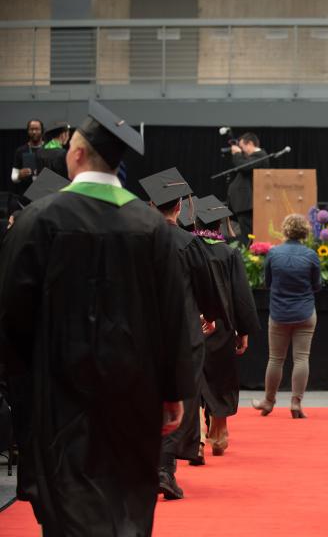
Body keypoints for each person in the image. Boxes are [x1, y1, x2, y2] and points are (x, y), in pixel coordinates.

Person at [0, 100, 195, 535]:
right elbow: (173, 317)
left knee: (66, 504)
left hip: (58, 396)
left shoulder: (36, 221)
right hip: (134, 391)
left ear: (76, 152)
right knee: (125, 500)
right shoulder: (152, 228)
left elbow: (11, 315)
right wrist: (173, 391)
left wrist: (23, 386)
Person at [139, 168, 228, 499]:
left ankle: (145, 467)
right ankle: (165, 470)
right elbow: (206, 288)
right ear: (179, 207)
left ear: (150, 204)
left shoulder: (137, 240)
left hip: (143, 333)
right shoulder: (189, 243)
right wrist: (211, 316)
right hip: (182, 332)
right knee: (179, 400)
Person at [194, 195, 261, 456]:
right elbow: (240, 296)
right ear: (221, 224)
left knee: (196, 379)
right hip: (222, 325)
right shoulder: (229, 253)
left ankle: (197, 438)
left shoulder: (189, 248)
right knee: (220, 379)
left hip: (194, 322)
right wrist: (242, 331)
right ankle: (219, 433)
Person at [252, 213, 321, 419]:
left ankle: (268, 401)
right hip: (305, 312)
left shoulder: (273, 254)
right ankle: (296, 403)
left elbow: (267, 283)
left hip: (279, 312)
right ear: (304, 232)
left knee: (275, 359)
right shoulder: (310, 255)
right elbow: (317, 285)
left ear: (285, 230)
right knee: (301, 358)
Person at [228, 132, 269, 243]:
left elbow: (243, 166)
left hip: (247, 204)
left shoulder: (261, 156)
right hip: (244, 204)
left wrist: (236, 154)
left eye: (242, 147)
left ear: (250, 143)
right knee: (245, 234)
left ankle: (247, 258)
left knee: (248, 236)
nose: (241, 150)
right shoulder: (253, 158)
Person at [9, 119, 44, 206]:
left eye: (37, 129)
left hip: (44, 195)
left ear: (42, 131)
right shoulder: (20, 151)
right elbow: (13, 177)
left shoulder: (48, 150)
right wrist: (19, 175)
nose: (34, 132)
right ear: (28, 131)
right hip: (25, 196)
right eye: (31, 129)